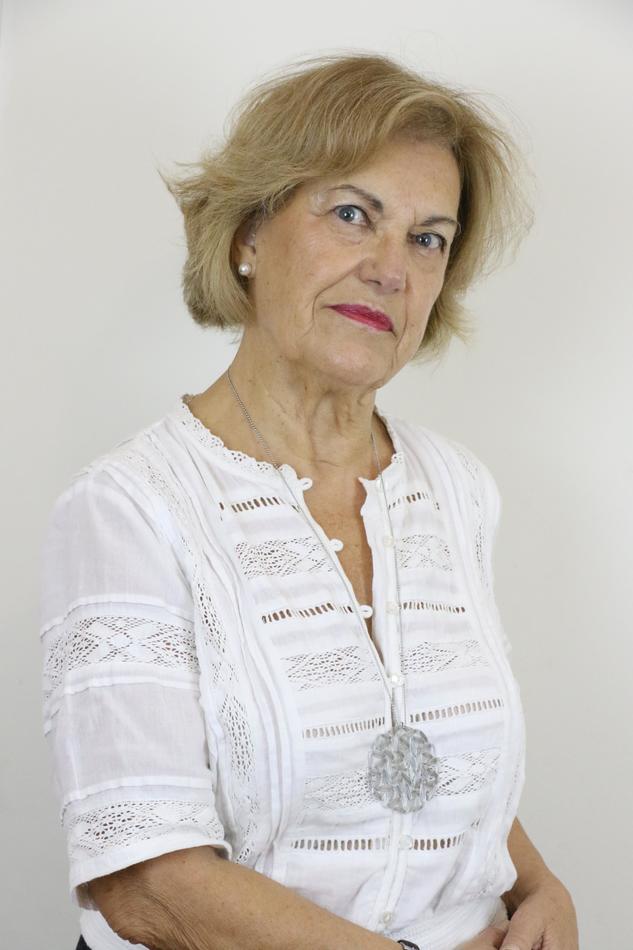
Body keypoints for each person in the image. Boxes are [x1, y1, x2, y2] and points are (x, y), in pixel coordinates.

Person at [39, 52, 579, 950]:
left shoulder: (456, 487)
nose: (390, 269)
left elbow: (434, 759)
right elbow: (146, 880)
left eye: (428, 238)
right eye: (352, 215)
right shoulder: (128, 507)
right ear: (248, 233)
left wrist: (541, 888)